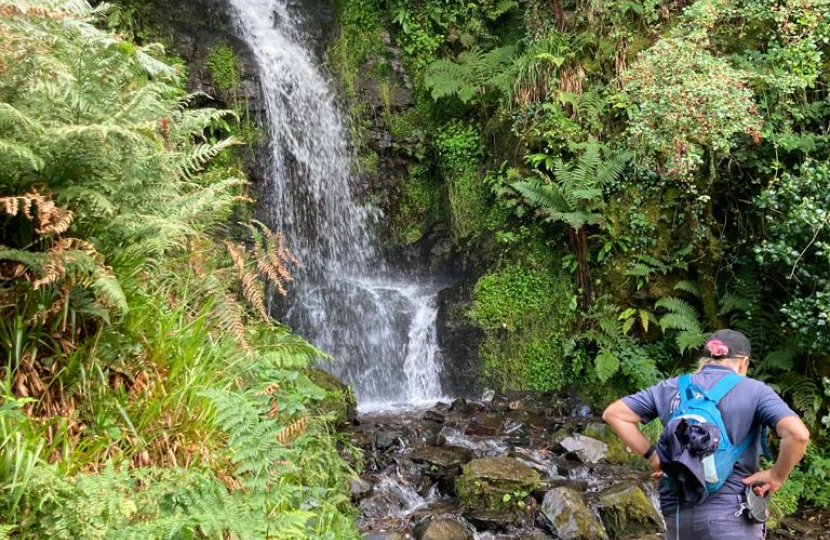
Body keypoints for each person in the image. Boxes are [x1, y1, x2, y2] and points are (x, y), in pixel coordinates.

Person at [603, 329, 811, 540]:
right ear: (743, 362)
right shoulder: (755, 391)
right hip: (732, 513)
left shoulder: (671, 387)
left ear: (705, 359)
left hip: (677, 516)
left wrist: (655, 457)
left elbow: (614, 414)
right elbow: (797, 434)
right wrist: (776, 476)